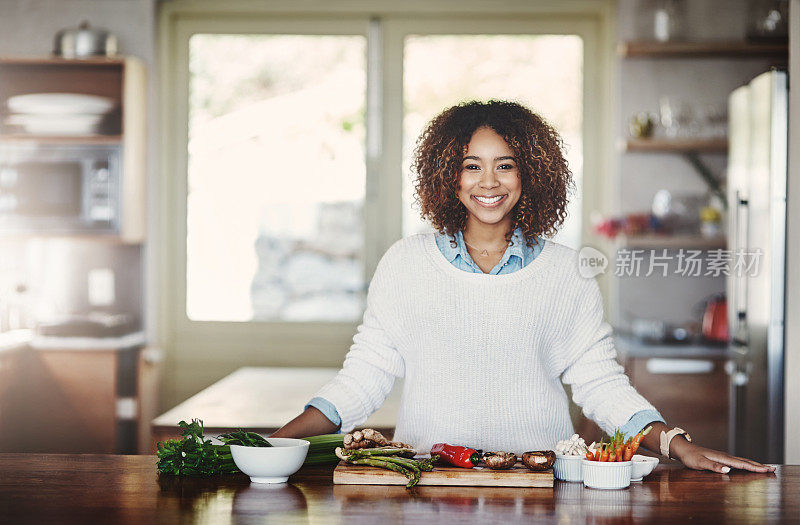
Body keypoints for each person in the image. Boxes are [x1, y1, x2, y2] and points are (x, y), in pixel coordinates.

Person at [273, 100, 774, 474]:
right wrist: (274, 443)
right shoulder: (405, 264)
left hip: (541, 484)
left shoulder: (565, 272)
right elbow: (364, 377)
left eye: (505, 165)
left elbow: (599, 382)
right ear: (449, 177)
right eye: (472, 165)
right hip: (429, 483)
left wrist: (674, 442)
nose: (488, 181)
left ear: (530, 173)